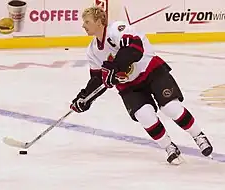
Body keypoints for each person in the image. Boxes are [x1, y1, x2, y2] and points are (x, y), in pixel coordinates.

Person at [70, 6, 213, 164]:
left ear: (99, 22)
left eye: (87, 22)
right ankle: (169, 147)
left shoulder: (116, 29)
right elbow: (98, 80)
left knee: (171, 108)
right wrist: (84, 98)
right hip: (129, 86)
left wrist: (115, 66)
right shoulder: (92, 51)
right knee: (144, 115)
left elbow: (135, 48)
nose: (83, 25)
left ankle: (199, 136)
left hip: (151, 71)